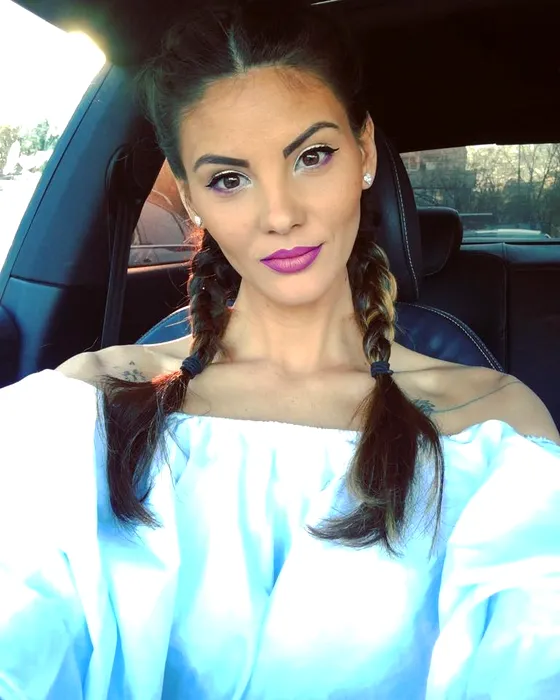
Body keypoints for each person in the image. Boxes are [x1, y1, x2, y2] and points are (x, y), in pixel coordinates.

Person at [1, 1, 559, 698]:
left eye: (311, 156)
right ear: (191, 196)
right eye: (229, 179)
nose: (280, 214)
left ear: (364, 153)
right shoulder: (86, 408)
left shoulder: (495, 428)